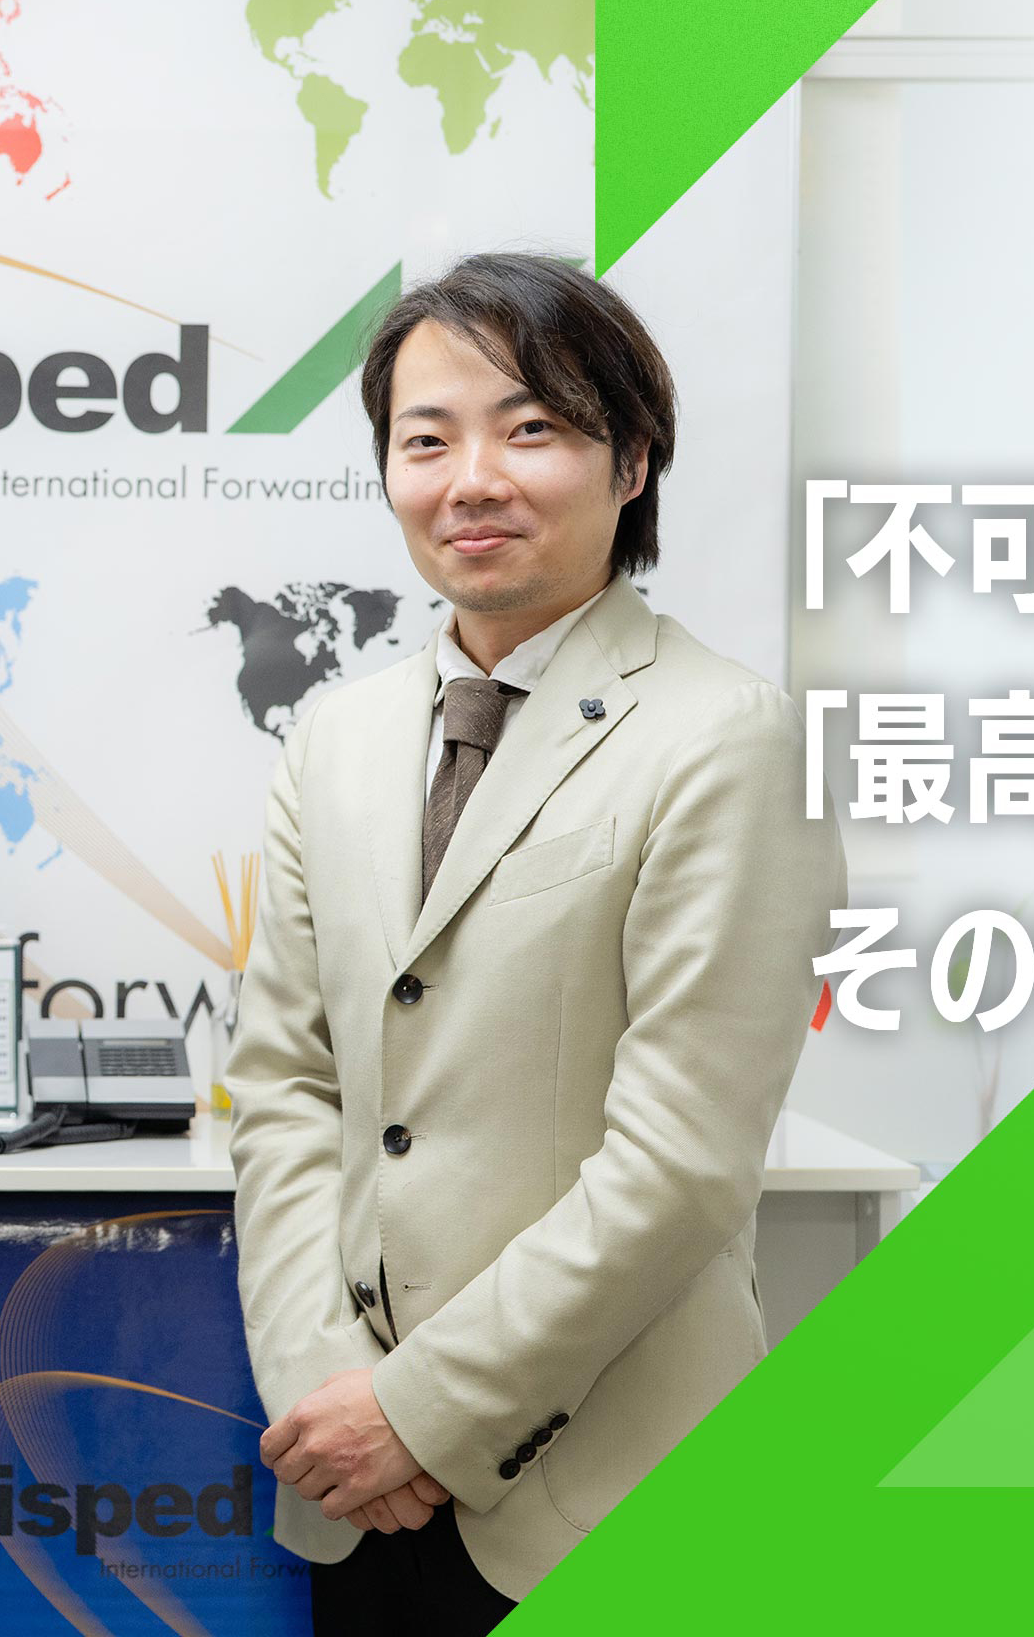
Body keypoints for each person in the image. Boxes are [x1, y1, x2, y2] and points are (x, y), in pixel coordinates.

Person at [227, 253, 846, 1632]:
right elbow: (285, 1089)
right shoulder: (335, 737)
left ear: (632, 462)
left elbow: (680, 1164)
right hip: (354, 1486)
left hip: (603, 1489)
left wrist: (422, 1414)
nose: (472, 481)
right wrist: (328, 1393)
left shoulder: (729, 739)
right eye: (426, 440)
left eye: (531, 429)